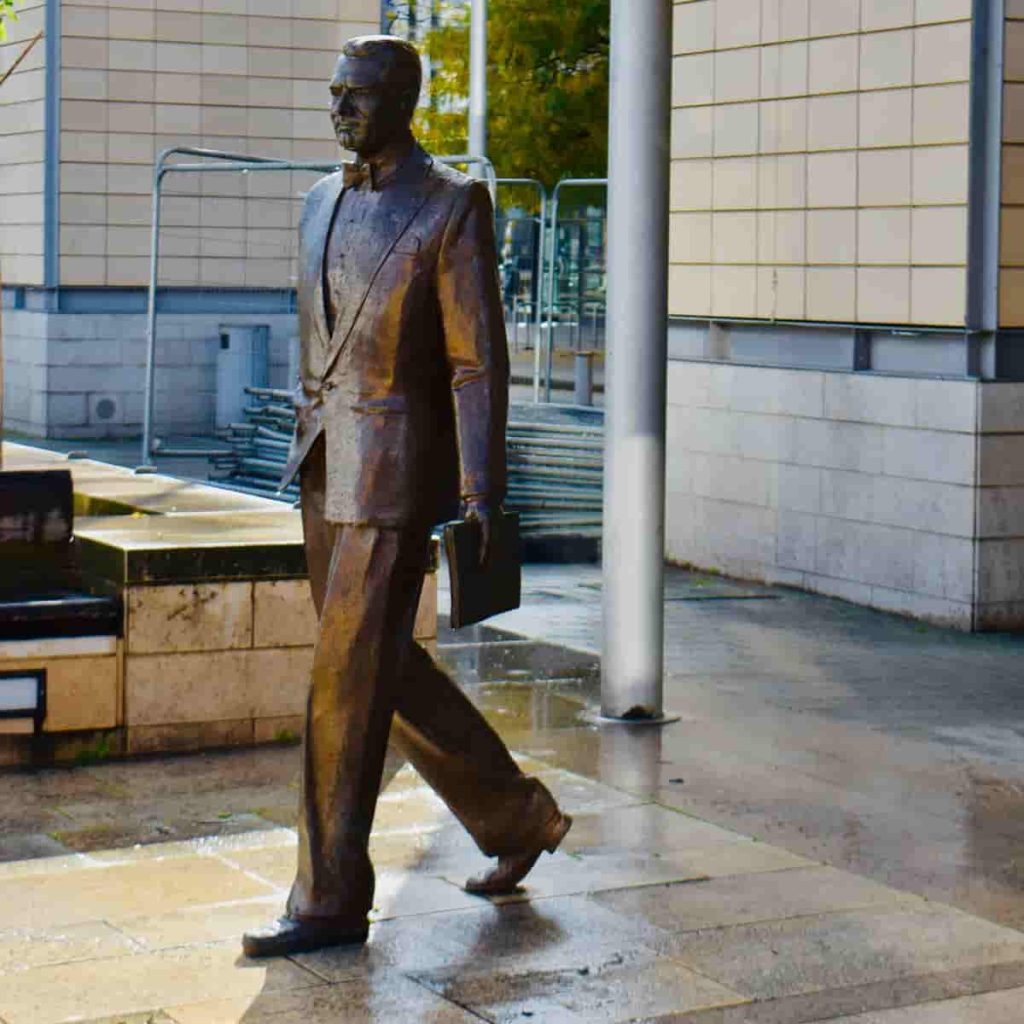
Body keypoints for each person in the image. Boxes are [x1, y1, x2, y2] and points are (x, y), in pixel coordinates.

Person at [242, 35, 571, 959]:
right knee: (384, 669)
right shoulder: (316, 201)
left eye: (359, 96)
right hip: (323, 466)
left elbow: (476, 362)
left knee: (342, 688)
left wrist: (481, 487)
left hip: (393, 478)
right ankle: (517, 817)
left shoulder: (451, 203)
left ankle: (330, 897)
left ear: (404, 100)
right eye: (334, 93)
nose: (340, 110)